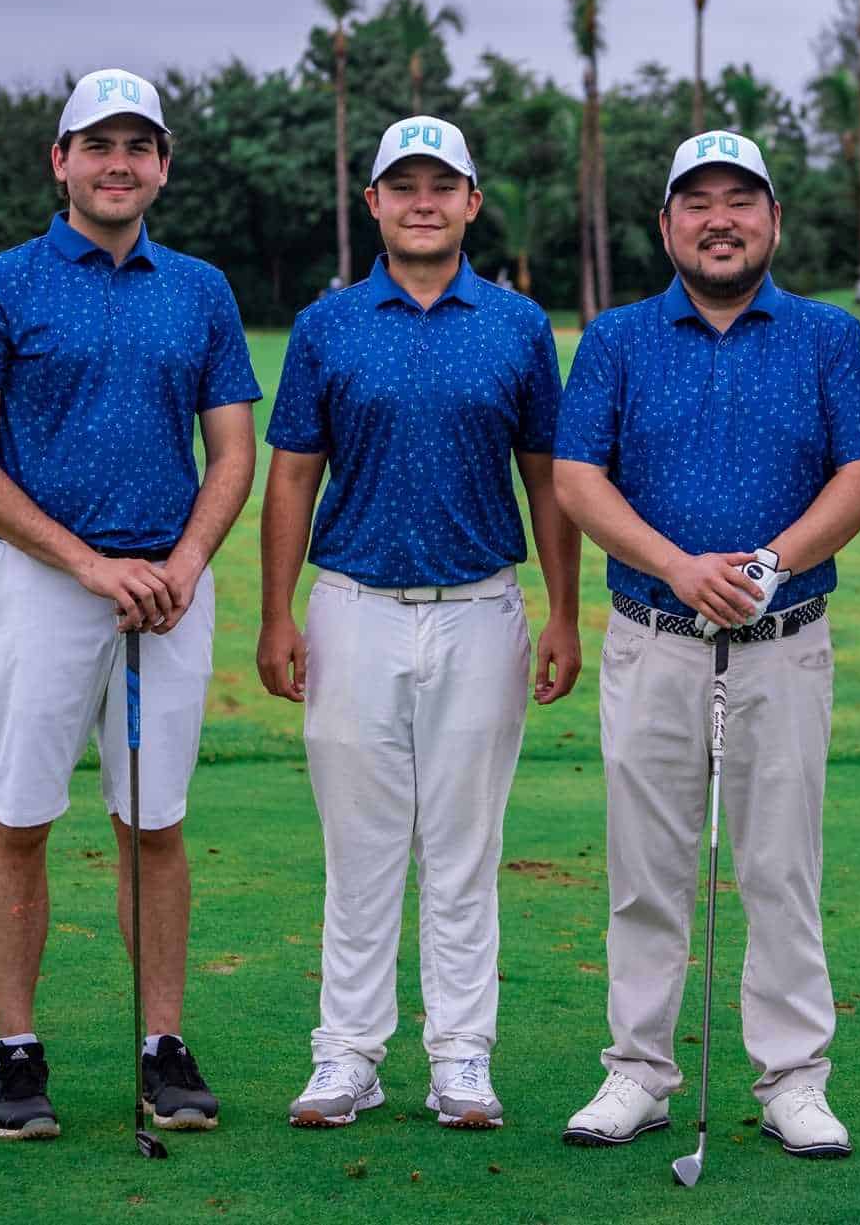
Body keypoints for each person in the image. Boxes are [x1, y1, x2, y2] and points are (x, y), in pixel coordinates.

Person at [0, 68, 263, 1141]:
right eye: (97, 143)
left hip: (168, 587)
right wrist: (86, 564)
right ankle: (16, 1053)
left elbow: (230, 452)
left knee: (153, 824)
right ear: (60, 160)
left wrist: (184, 559)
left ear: (162, 165)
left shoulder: (200, 289)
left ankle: (162, 1045)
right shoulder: (0, 284)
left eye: (139, 145)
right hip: (43, 585)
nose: (118, 163)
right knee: (19, 817)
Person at [552, 129, 860, 1160]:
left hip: (780, 641)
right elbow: (576, 479)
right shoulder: (616, 338)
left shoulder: (827, 337)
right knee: (643, 868)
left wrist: (767, 565)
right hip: (653, 637)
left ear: (773, 221)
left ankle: (793, 1078)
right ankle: (638, 1075)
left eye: (739, 199)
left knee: (780, 867)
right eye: (694, 201)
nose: (718, 217)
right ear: (665, 225)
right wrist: (677, 566)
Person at [257, 115, 582, 1132]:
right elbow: (293, 473)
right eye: (403, 185)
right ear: (374, 205)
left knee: (463, 849)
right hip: (351, 606)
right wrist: (275, 613)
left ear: (471, 202)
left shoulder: (519, 325)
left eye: (442, 184)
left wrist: (565, 610)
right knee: (359, 849)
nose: (422, 200)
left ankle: (460, 1057)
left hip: (481, 609)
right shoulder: (328, 324)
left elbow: (546, 476)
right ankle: (346, 1055)